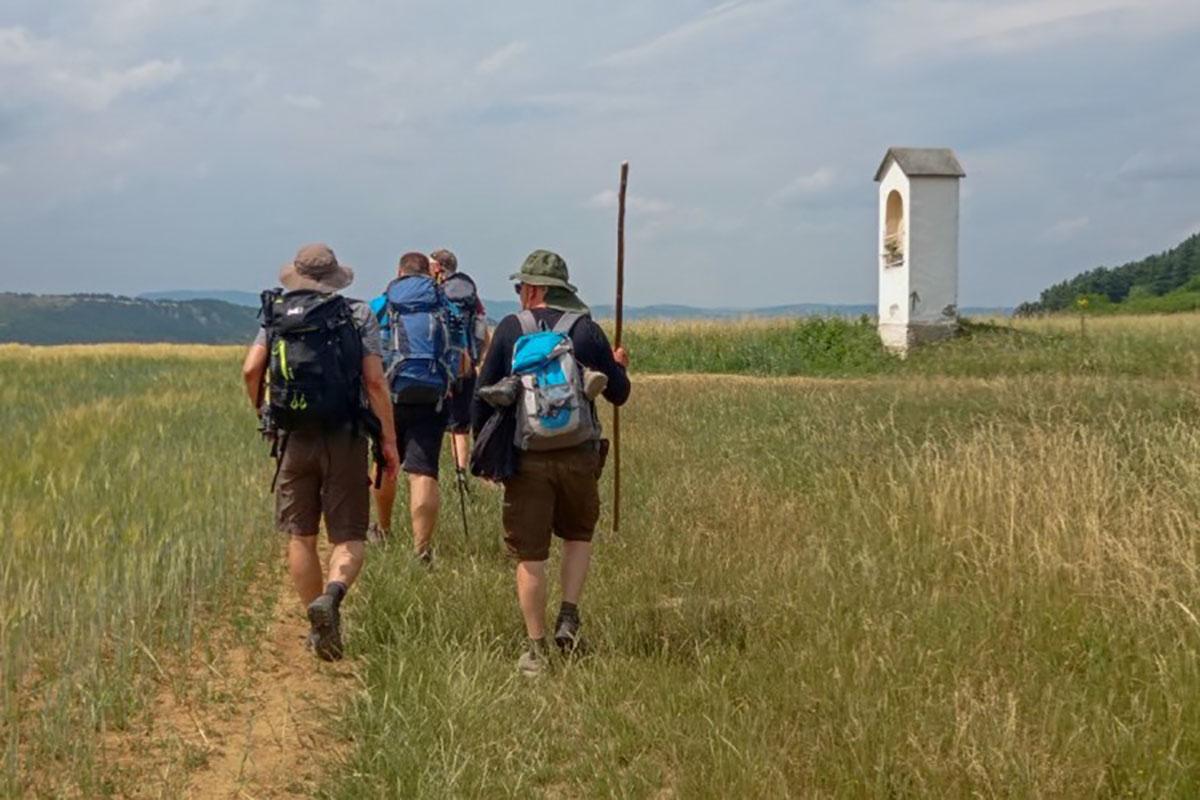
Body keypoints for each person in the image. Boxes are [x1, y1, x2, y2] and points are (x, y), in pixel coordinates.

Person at [472, 250, 630, 676]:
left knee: (531, 554)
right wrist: (617, 367)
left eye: (522, 286)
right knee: (579, 534)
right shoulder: (587, 331)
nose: (520, 293)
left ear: (536, 289)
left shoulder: (509, 329)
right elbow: (619, 395)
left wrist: (483, 456)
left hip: (526, 459)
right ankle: (570, 615)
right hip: (580, 454)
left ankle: (535, 649)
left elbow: (483, 396)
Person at [241, 243, 399, 661]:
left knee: (301, 535)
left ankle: (316, 629)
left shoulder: (275, 314)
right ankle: (332, 596)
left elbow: (251, 370)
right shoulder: (357, 313)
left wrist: (264, 413)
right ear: (334, 280)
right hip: (346, 436)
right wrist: (388, 441)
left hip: (294, 437)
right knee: (349, 536)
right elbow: (375, 382)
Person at [369, 252, 449, 561]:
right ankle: (421, 549)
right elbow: (464, 352)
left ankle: (384, 530)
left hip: (390, 395)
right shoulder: (443, 304)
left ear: (399, 272)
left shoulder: (383, 303)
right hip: (433, 395)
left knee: (385, 462)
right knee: (424, 470)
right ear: (428, 273)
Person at [429, 248, 489, 479]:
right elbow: (482, 328)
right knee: (461, 425)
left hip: (437, 367)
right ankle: (461, 473)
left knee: (432, 420)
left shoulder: (435, 293)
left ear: (438, 268)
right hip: (465, 366)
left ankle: (428, 470)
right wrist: (478, 359)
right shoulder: (470, 295)